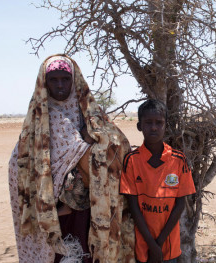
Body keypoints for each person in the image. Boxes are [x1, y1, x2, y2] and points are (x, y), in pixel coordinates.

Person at [8, 54, 134, 263]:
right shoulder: (41, 117)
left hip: (90, 207)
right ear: (44, 83)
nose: (60, 85)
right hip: (55, 211)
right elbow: (19, 162)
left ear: (74, 80)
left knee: (86, 252)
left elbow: (118, 146)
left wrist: (94, 140)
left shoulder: (89, 112)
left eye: (65, 79)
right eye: (54, 80)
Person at [120, 99, 196, 263]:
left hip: (169, 245)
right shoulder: (132, 161)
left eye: (159, 123)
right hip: (142, 246)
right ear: (140, 126)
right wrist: (152, 246)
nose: (154, 127)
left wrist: (159, 244)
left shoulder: (178, 160)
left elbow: (180, 205)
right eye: (148, 122)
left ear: (166, 125)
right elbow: (134, 207)